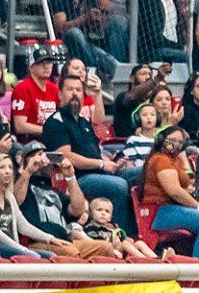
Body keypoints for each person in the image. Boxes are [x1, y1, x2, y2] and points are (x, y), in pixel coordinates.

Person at [41, 75, 134, 232]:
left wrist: (112, 160)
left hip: (98, 173)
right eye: (70, 89)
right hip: (78, 179)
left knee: (135, 174)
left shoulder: (83, 122)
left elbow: (95, 151)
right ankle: (119, 234)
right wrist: (102, 164)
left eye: (78, 90)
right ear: (60, 94)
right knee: (120, 186)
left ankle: (136, 236)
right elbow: (66, 156)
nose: (75, 94)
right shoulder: (56, 122)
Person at [140, 123, 199, 261]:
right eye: (172, 140)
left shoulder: (175, 160)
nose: (176, 144)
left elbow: (187, 182)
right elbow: (174, 192)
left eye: (180, 142)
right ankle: (197, 268)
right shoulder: (161, 159)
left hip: (176, 209)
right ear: (161, 139)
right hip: (162, 212)